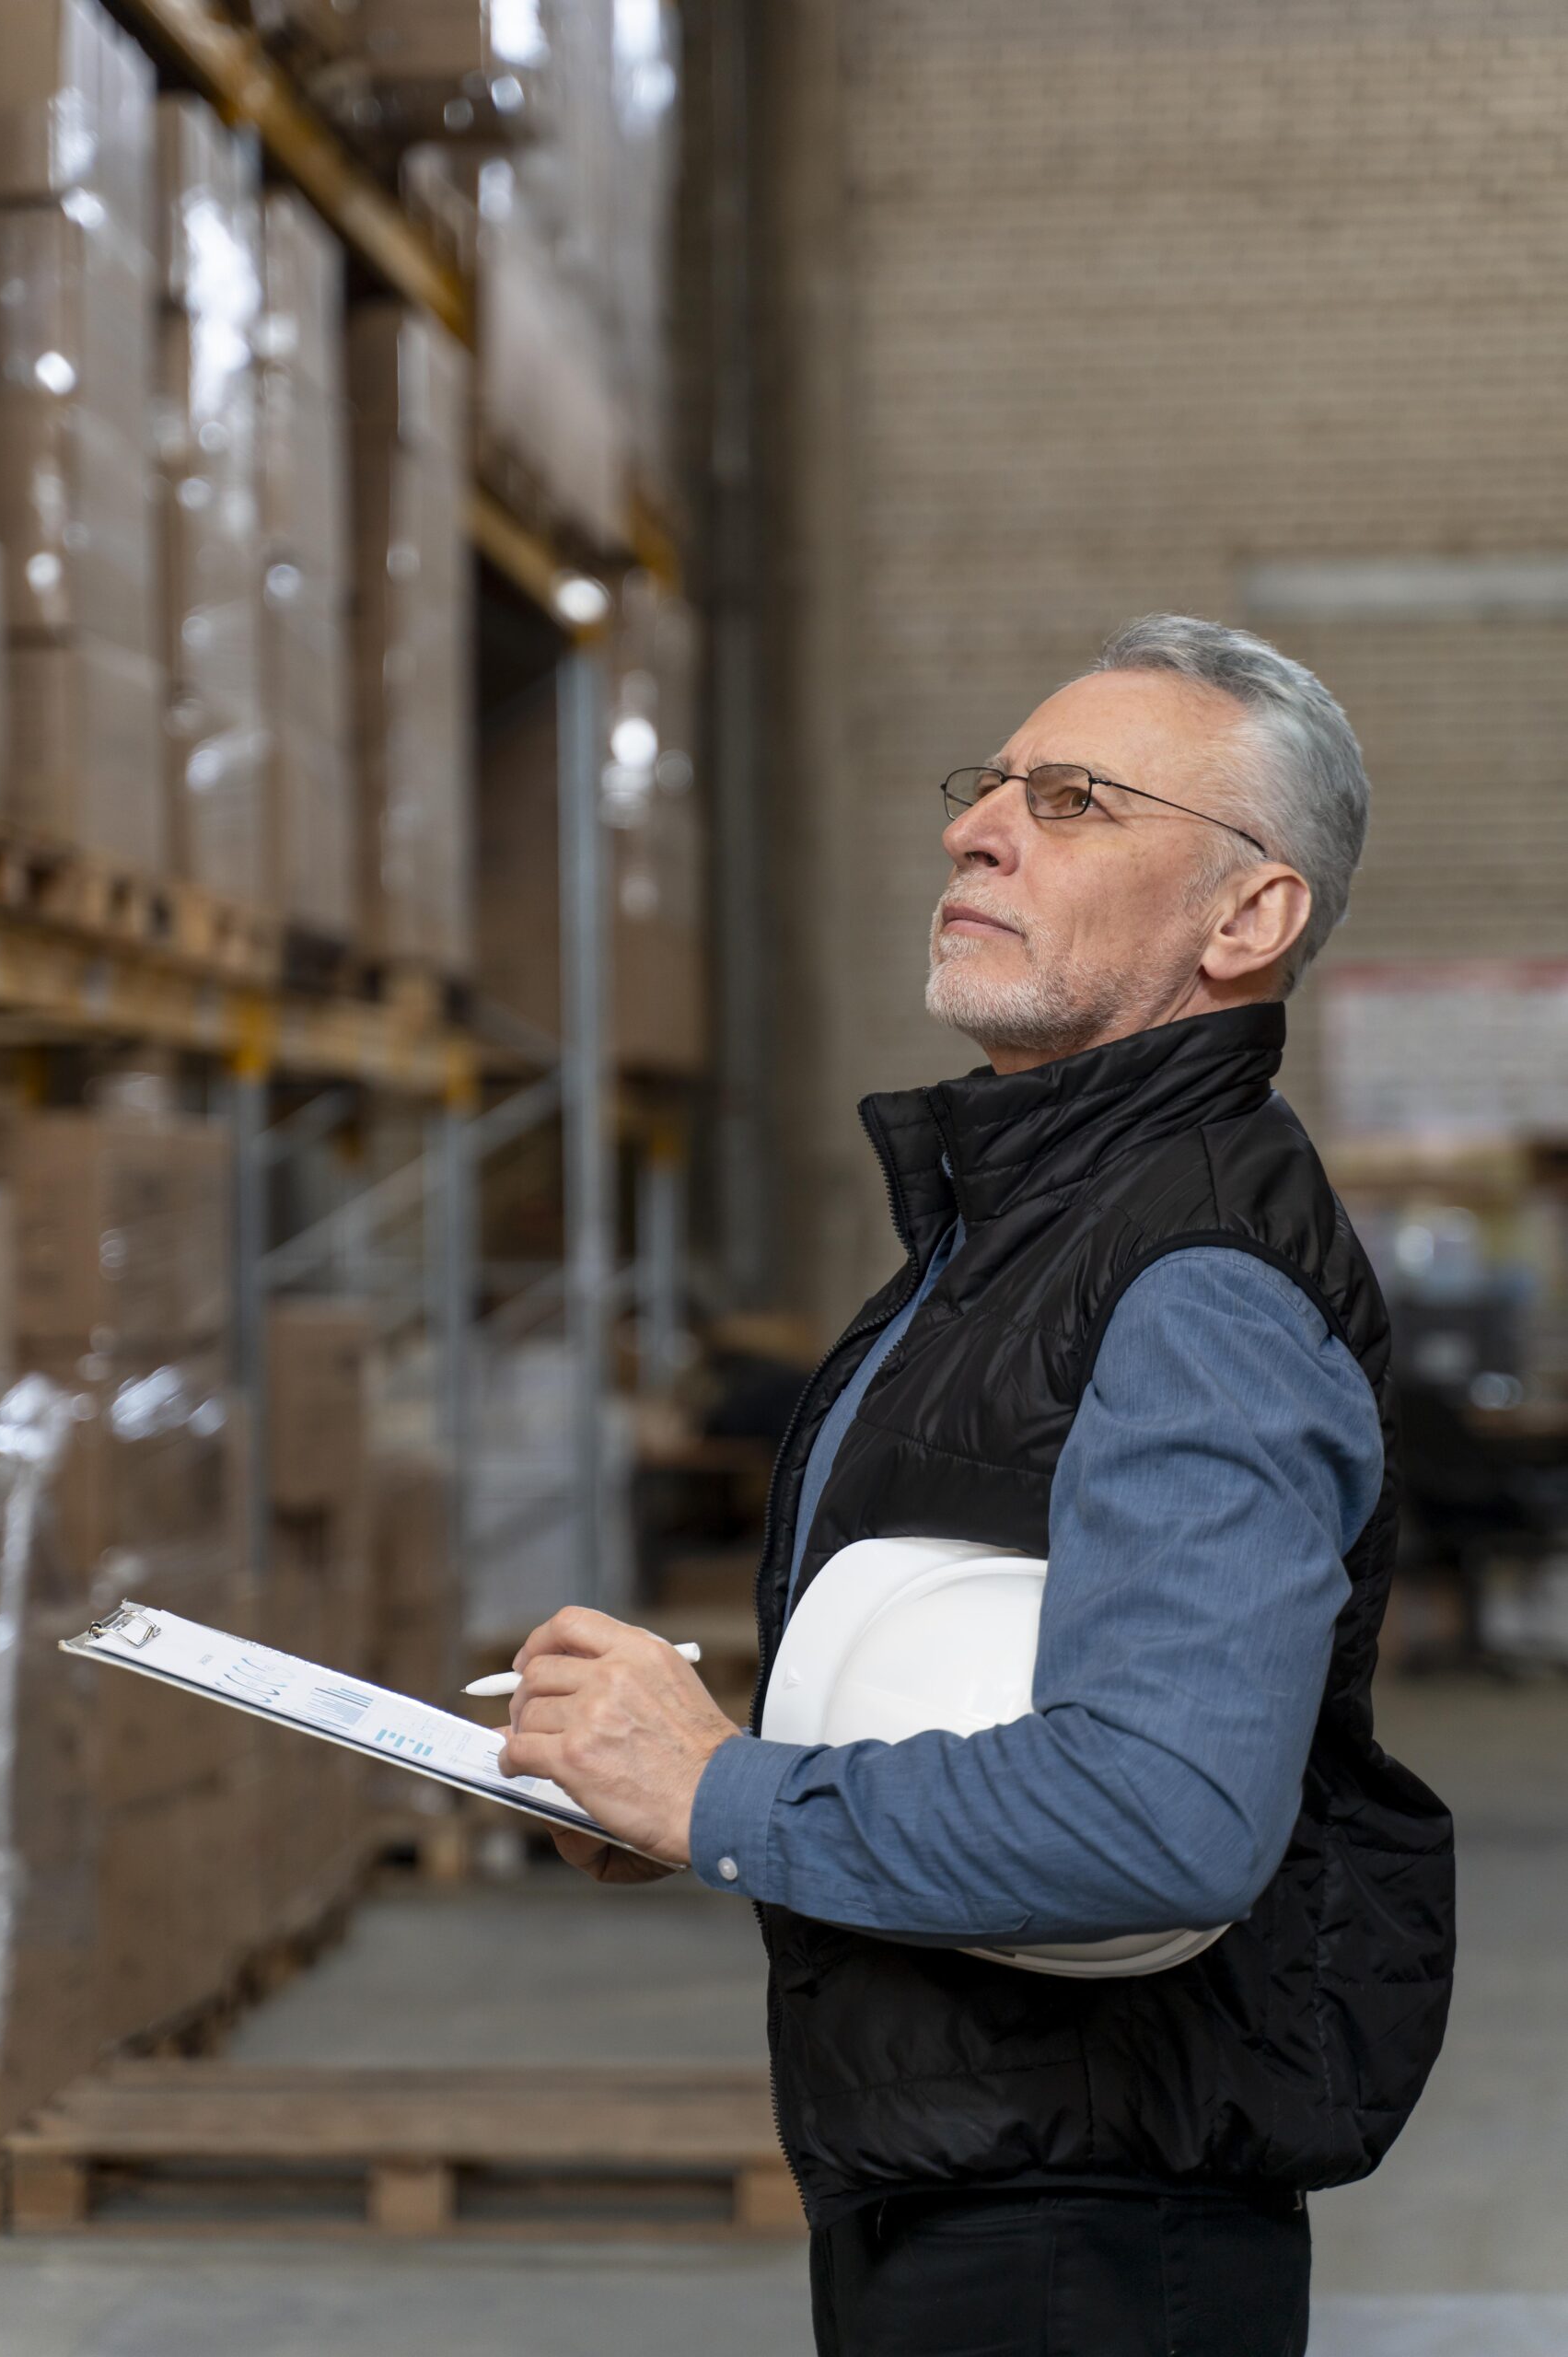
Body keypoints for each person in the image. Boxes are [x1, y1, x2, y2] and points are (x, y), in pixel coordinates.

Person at [498, 615, 1455, 2357]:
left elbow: (1161, 1821)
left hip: (1085, 2241)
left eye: (1077, 799)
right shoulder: (1010, 1236)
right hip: (966, 2177)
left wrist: (726, 1795)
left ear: (1248, 918)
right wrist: (675, 1788)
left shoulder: (1197, 1278)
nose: (978, 828)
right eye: (990, 785)